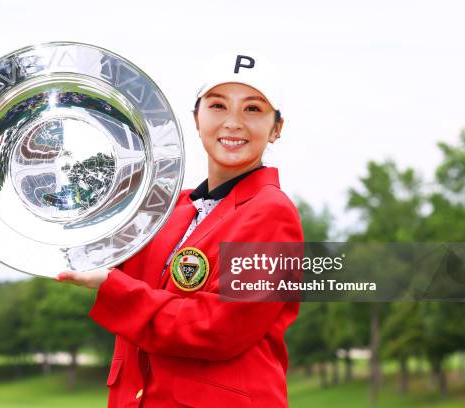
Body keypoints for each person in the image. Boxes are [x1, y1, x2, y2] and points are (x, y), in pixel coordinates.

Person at [57, 52, 304, 407]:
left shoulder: (272, 212)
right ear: (196, 118)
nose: (233, 122)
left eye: (252, 109)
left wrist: (114, 288)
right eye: (218, 105)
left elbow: (220, 328)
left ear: (276, 128)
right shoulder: (164, 208)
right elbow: (98, 249)